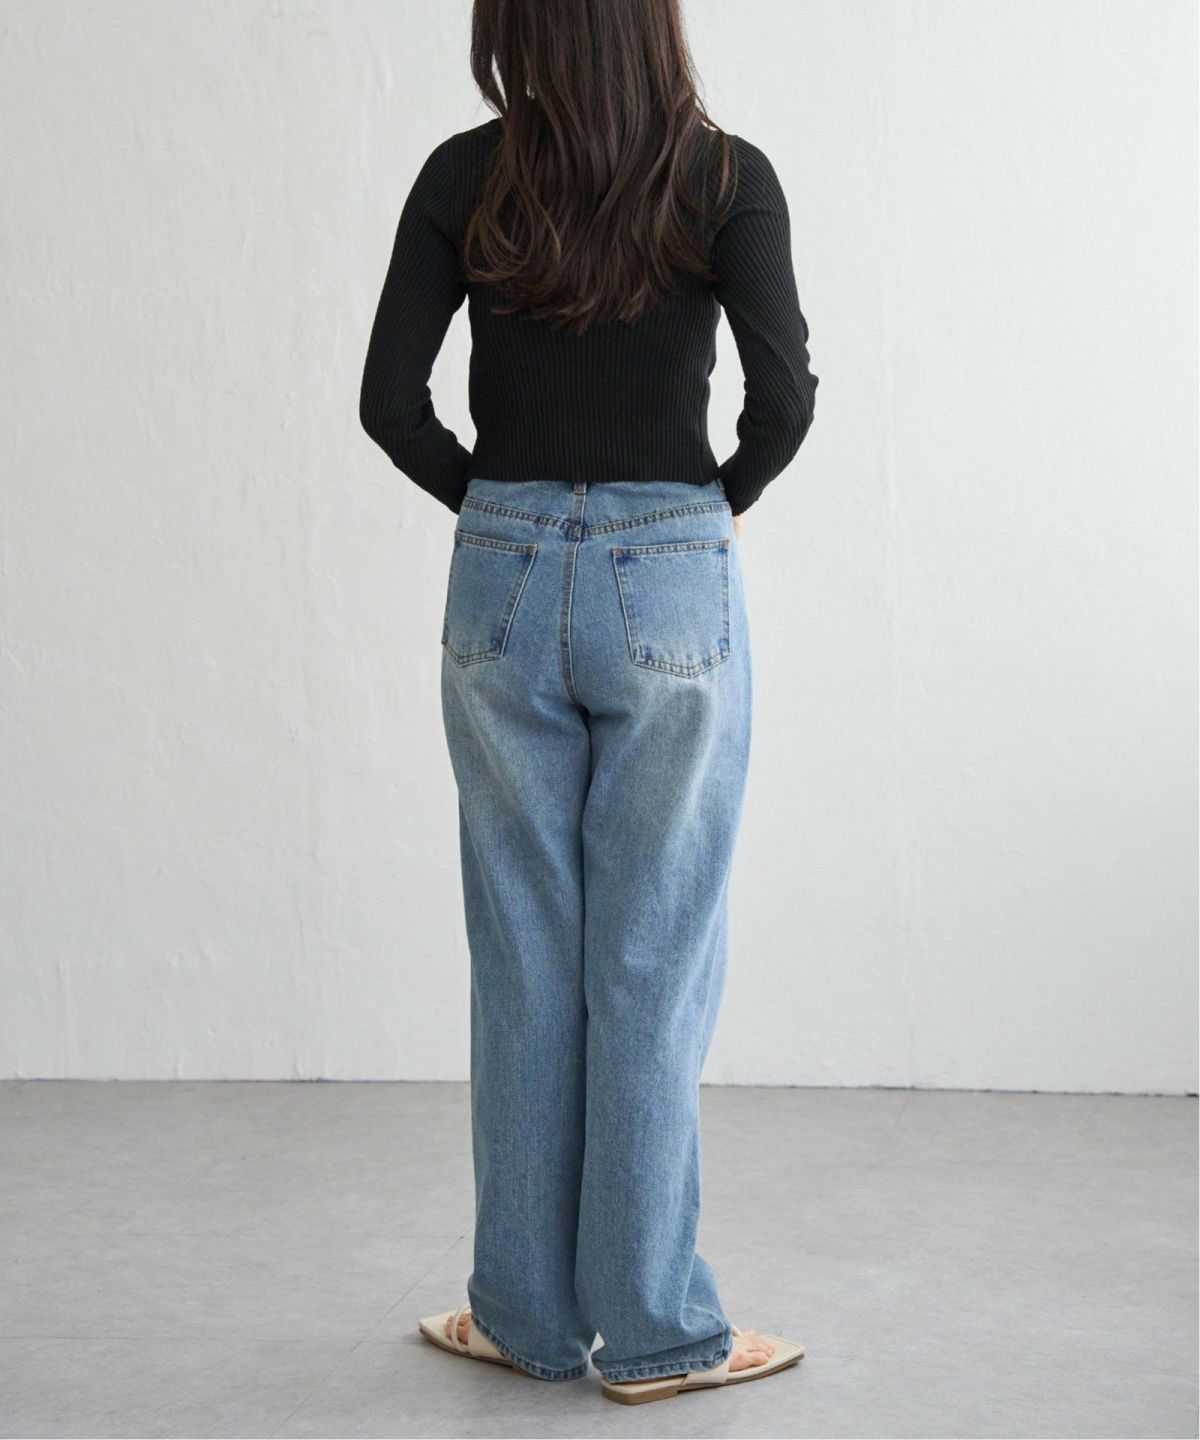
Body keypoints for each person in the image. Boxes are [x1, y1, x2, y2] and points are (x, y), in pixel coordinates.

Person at [359, 0, 818, 1407]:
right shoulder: (724, 177)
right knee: (651, 957)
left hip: (502, 568)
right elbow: (785, 402)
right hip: (669, 566)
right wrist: (698, 514)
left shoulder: (465, 175)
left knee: (523, 953)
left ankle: (524, 1317)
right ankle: (661, 1333)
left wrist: (498, 508)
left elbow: (388, 401)